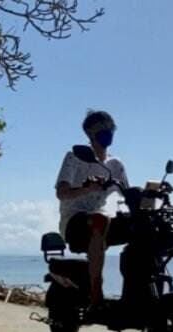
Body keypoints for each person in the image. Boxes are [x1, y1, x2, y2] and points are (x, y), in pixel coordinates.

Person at [55, 110, 129, 308]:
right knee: (99, 219)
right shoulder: (75, 157)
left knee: (141, 225)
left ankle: (140, 290)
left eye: (110, 128)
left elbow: (128, 193)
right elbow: (62, 193)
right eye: (101, 129)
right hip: (74, 221)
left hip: (101, 220)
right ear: (89, 133)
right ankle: (96, 292)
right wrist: (86, 188)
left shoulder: (115, 164)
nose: (107, 132)